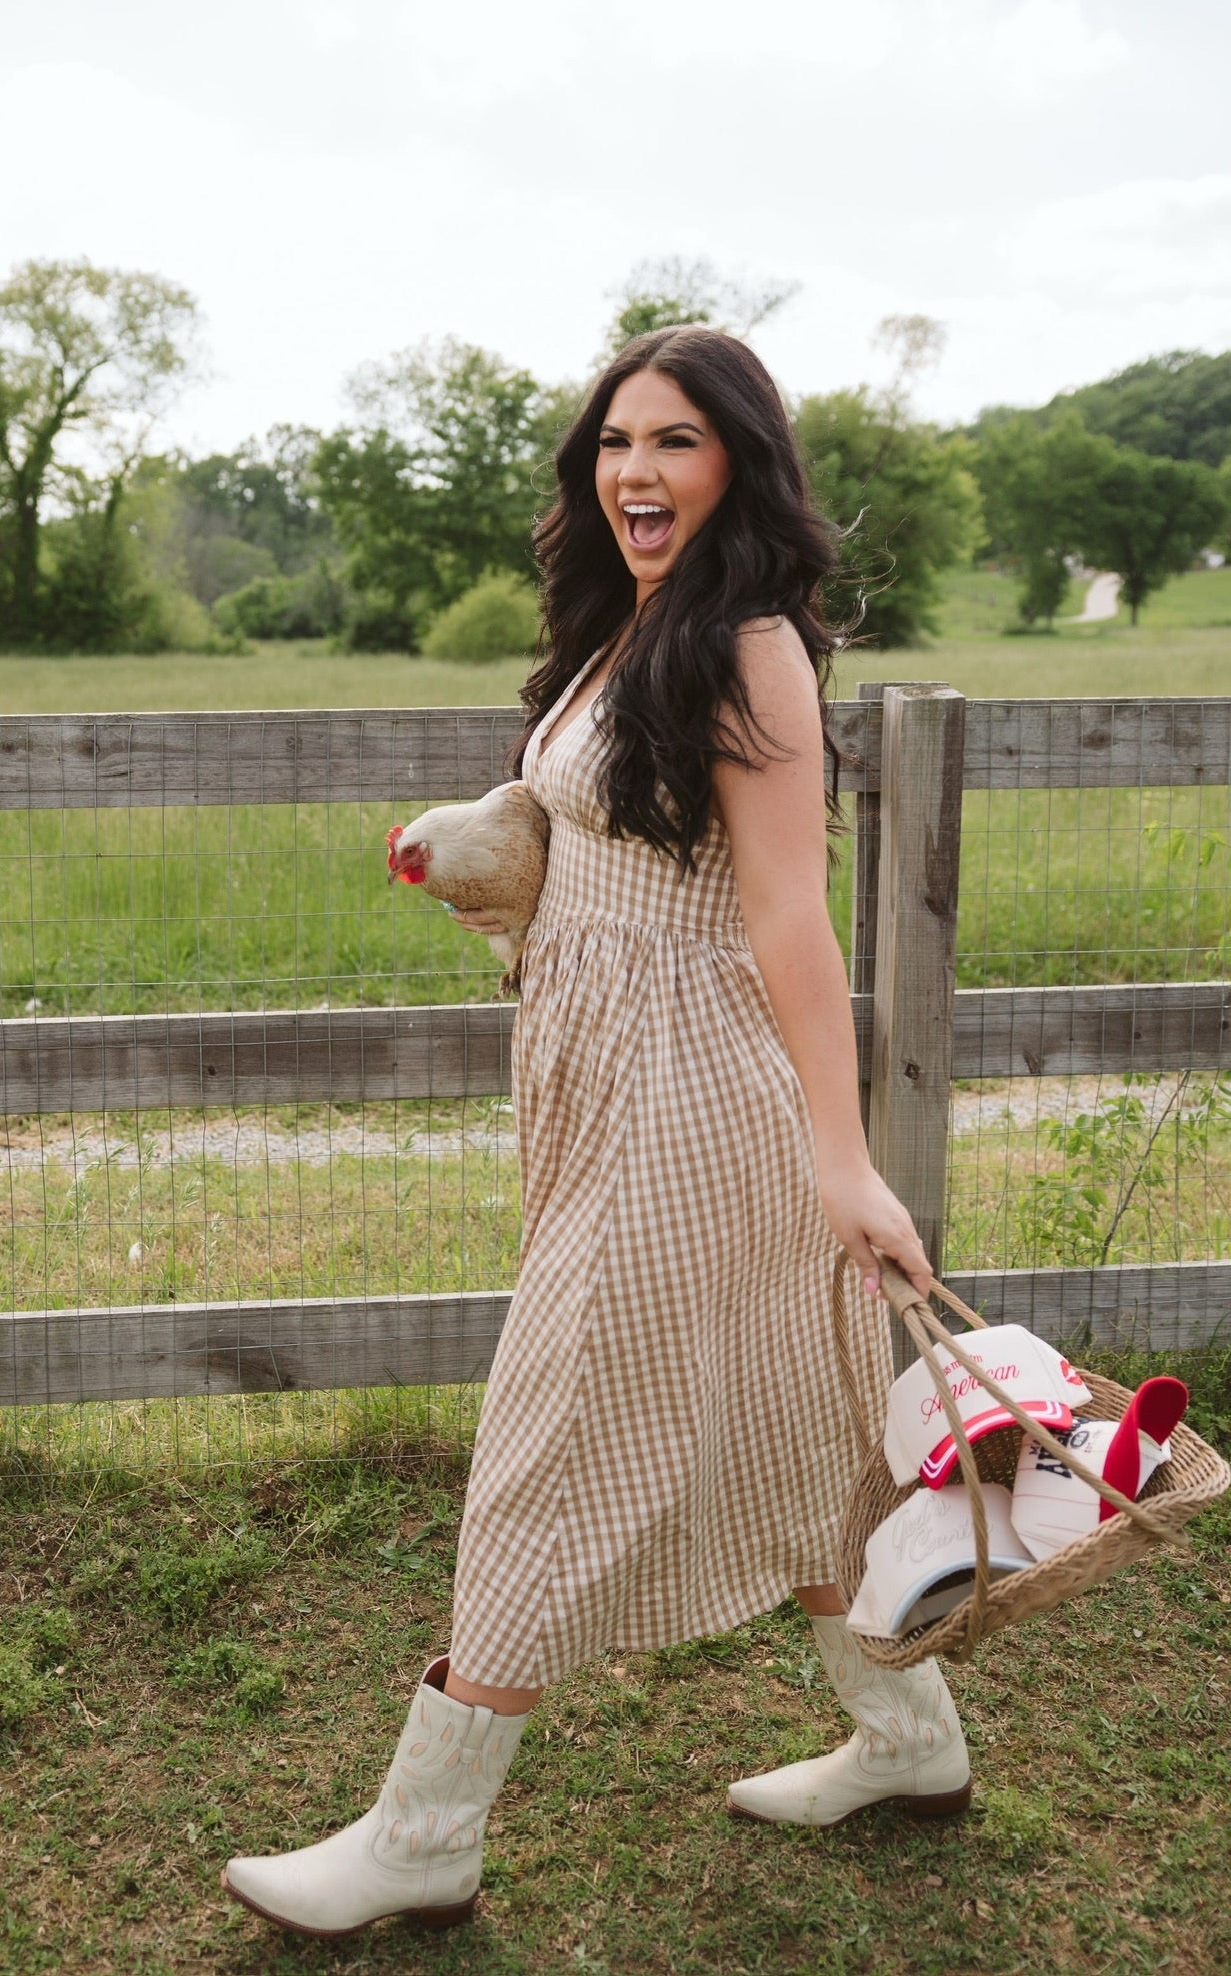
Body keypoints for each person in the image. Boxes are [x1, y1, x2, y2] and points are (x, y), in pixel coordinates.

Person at [222, 325, 971, 1941]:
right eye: (617, 443)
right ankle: (911, 1741)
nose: (637, 471)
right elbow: (627, 857)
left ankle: (426, 1835)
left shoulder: (749, 646)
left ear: (740, 466)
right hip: (599, 1071)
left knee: (546, 1432)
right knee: (793, 1411)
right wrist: (491, 851)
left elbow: (788, 917)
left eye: (677, 443)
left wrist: (844, 1160)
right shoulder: (628, 631)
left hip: (692, 1091)